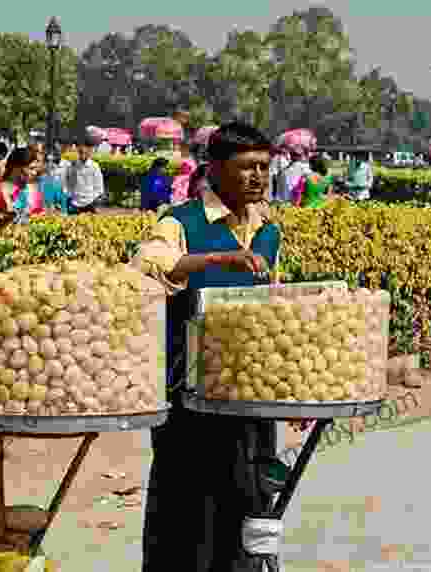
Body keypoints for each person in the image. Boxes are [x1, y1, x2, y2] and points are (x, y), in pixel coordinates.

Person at [133, 120, 283, 572]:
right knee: (185, 515)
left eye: (264, 167)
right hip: (189, 398)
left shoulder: (268, 230)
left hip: (252, 397)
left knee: (246, 503)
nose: (257, 177)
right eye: (246, 167)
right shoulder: (179, 222)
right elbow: (145, 272)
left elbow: (274, 307)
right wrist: (218, 259)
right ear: (214, 168)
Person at [63, 136, 104, 214]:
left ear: (90, 151)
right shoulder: (72, 166)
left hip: (90, 204)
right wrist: (69, 196)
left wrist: (92, 199)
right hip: (74, 203)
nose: (83, 153)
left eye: (86, 151)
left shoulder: (94, 166)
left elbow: (99, 187)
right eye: (81, 152)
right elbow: (67, 183)